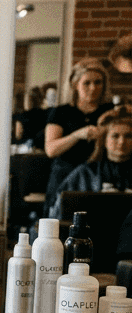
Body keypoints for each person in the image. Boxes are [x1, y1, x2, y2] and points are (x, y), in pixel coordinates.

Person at [44, 57, 114, 215]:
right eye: (87, 83)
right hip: (64, 175)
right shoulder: (61, 112)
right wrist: (77, 135)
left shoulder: (110, 112)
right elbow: (51, 150)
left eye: (98, 83)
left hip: (99, 178)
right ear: (75, 84)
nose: (93, 88)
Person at [52, 105, 132, 218]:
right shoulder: (85, 173)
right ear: (104, 140)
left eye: (128, 136)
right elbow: (60, 212)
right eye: (115, 136)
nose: (122, 142)